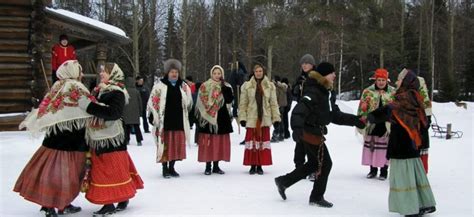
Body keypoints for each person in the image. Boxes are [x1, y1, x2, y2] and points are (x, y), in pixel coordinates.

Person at [274, 62, 366, 208]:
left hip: (314, 131)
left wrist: (355, 121)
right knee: (325, 164)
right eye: (332, 73)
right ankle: (316, 197)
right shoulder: (314, 91)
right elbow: (299, 110)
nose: (335, 75)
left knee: (314, 163)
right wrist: (296, 129)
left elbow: (334, 115)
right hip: (309, 132)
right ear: (324, 75)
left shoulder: (326, 92)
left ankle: (284, 181)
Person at [14, 60, 90, 217]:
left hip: (54, 139)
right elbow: (89, 106)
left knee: (52, 174)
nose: (81, 74)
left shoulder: (57, 86)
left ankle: (56, 204)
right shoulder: (75, 86)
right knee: (66, 176)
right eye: (79, 70)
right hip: (72, 139)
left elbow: (49, 109)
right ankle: (55, 205)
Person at [367, 69, 436, 217]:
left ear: (405, 82)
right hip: (413, 144)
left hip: (401, 145)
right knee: (416, 175)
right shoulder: (416, 96)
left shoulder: (402, 99)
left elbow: (388, 110)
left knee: (404, 178)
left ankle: (410, 207)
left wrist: (370, 117)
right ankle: (425, 204)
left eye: (399, 79)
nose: (397, 82)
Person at [78, 63, 144, 215]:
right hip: (99, 137)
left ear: (113, 74)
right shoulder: (100, 89)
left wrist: (89, 106)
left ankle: (109, 203)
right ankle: (122, 197)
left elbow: (113, 113)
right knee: (111, 170)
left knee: (109, 171)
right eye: (101, 71)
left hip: (111, 138)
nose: (101, 74)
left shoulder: (117, 92)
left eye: (105, 72)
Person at [147, 59, 193, 178]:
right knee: (165, 145)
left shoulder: (183, 86)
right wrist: (152, 116)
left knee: (176, 146)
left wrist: (189, 117)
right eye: (172, 72)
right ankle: (165, 168)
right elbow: (153, 102)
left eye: (176, 72)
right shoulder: (159, 86)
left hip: (178, 121)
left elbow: (188, 103)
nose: (174, 74)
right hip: (165, 122)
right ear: (167, 73)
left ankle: (172, 167)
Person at [238, 64, 281, 175]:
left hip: (264, 118)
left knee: (262, 142)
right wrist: (242, 118)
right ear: (253, 72)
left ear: (263, 72)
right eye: (256, 71)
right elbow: (243, 104)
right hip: (252, 118)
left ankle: (260, 165)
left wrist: (276, 118)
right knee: (252, 143)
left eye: (260, 71)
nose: (258, 73)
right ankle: (252, 165)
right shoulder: (247, 86)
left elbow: (273, 104)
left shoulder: (270, 86)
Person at [357, 68, 395, 180]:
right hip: (372, 123)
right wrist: (361, 120)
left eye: (383, 80)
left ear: (387, 80)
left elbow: (397, 108)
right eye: (379, 80)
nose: (381, 82)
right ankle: (372, 170)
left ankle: (384, 171)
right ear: (375, 80)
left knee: (385, 148)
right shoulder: (368, 92)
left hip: (386, 124)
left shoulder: (393, 92)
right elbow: (362, 107)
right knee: (372, 147)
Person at [195, 65, 233, 175]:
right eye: (215, 73)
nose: (217, 75)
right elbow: (201, 101)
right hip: (207, 118)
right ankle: (208, 166)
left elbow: (229, 100)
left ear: (222, 75)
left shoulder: (226, 86)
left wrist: (224, 89)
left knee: (218, 141)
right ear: (211, 74)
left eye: (219, 73)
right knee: (208, 142)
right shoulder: (205, 86)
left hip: (221, 116)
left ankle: (216, 165)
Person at [292, 54, 317, 171]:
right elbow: (294, 94)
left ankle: (313, 167)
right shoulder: (300, 78)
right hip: (301, 113)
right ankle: (299, 167)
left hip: (312, 114)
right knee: (300, 141)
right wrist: (295, 89)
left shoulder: (316, 78)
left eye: (307, 63)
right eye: (303, 63)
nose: (305, 65)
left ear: (312, 65)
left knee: (312, 142)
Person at [416, 75, 432, 173]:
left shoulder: (424, 98)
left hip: (420, 129)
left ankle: (420, 173)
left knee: (420, 150)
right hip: (412, 129)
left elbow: (428, 115)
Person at [123, 77, 143, 146]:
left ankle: (126, 140)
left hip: (126, 112)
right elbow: (140, 102)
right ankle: (139, 140)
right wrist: (141, 112)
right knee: (137, 127)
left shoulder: (124, 91)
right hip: (135, 112)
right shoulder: (136, 91)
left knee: (127, 127)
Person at [270, 75, 288, 142]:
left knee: (277, 120)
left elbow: (277, 96)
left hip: (279, 106)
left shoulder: (278, 87)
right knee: (281, 121)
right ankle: (281, 134)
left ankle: (276, 135)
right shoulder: (282, 87)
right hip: (281, 105)